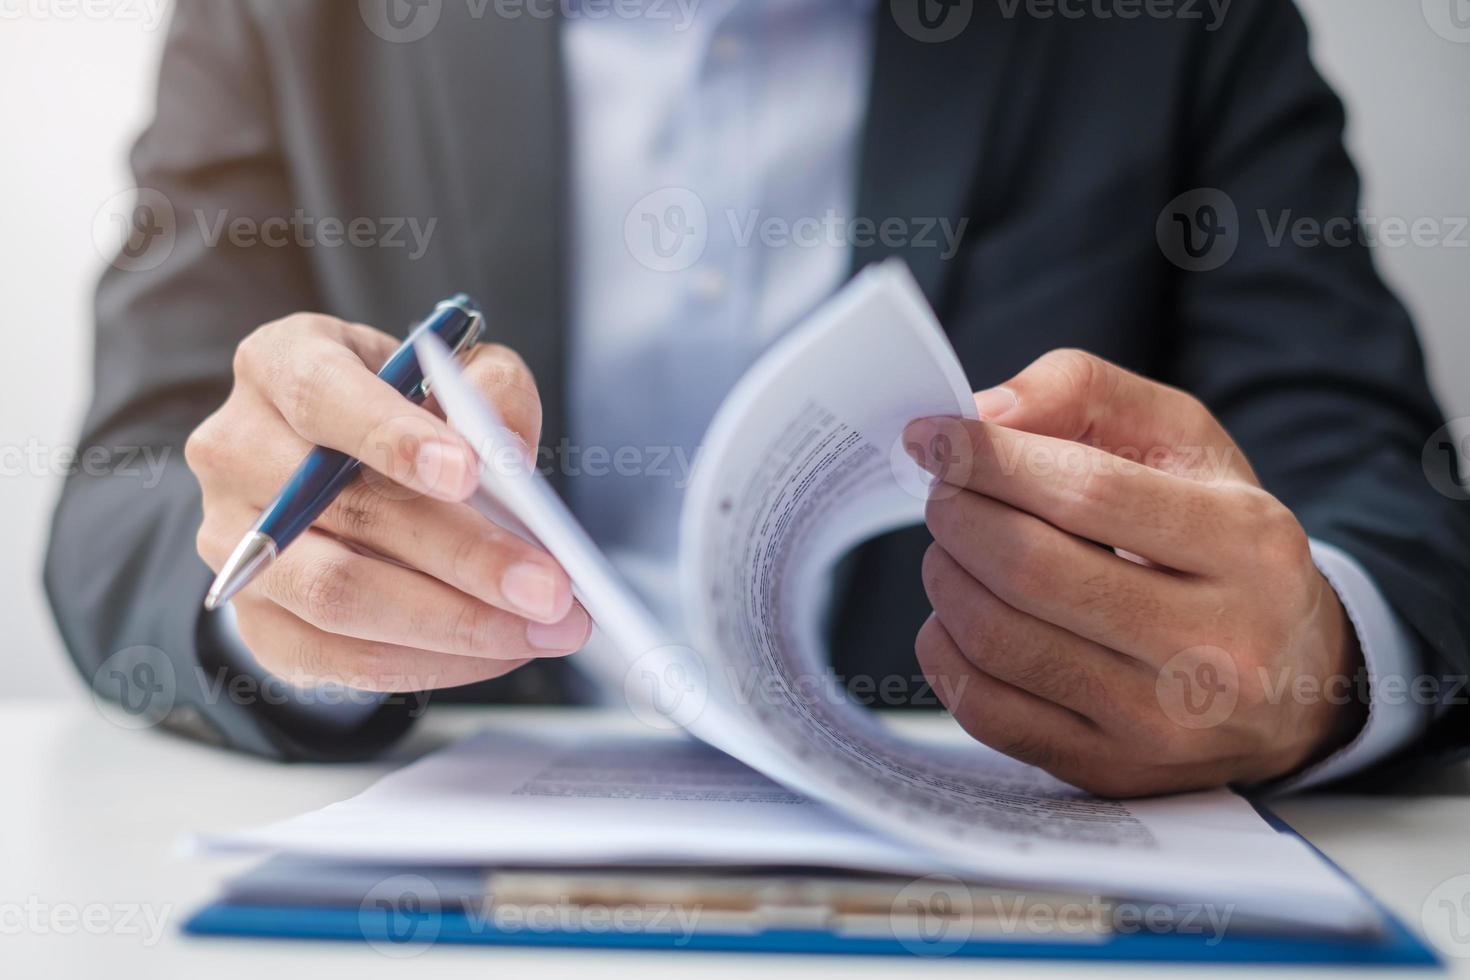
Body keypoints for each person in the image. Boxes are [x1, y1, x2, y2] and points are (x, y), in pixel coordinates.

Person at [47, 0, 1470, 793]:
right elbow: (121, 504)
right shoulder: (288, 18)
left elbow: (1381, 483)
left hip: (1006, 871)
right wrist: (290, 602)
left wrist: (1309, 665)